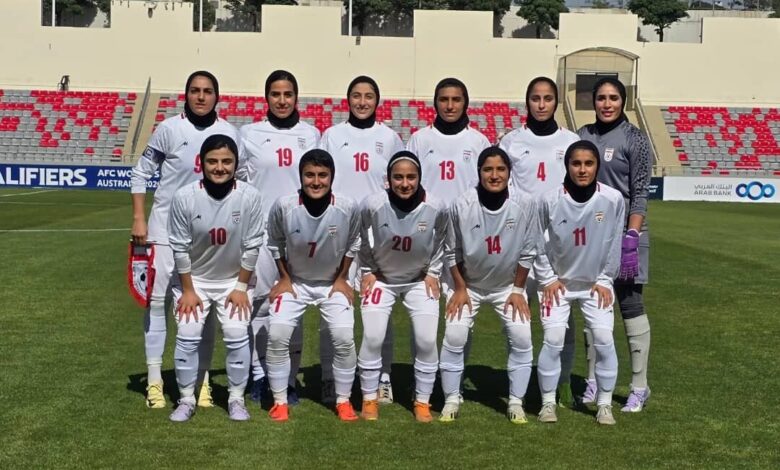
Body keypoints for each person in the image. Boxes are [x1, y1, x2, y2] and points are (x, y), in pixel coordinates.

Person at [130, 71, 237, 409]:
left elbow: (243, 178)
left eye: (207, 91)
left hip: (207, 236)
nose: (201, 97)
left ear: (217, 96)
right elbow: (141, 172)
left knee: (202, 306)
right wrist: (139, 217)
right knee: (157, 302)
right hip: (164, 230)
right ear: (186, 94)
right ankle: (155, 380)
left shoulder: (229, 132)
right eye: (194, 90)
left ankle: (201, 381)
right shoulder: (169, 129)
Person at [167, 134, 265, 422]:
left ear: (236, 164)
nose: (219, 167)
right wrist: (188, 290)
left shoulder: (250, 196)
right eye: (212, 161)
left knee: (236, 334)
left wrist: (241, 287)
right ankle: (186, 399)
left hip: (234, 281)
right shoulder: (185, 197)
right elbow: (180, 248)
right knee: (188, 334)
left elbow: (252, 246)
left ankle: (236, 398)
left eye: (226, 161)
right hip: (193, 281)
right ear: (201, 163)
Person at [438, 147, 540, 424]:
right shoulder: (461, 204)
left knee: (522, 336)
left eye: (500, 169)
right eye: (488, 169)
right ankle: (451, 398)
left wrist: (518, 290)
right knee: (455, 335)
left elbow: (528, 251)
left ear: (509, 172)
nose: (494, 175)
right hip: (468, 284)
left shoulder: (525, 203)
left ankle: (516, 401)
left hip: (507, 286)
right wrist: (460, 288)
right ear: (479, 172)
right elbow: (451, 251)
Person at [238, 70, 320, 406]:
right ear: (266, 97)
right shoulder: (248, 134)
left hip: (298, 235)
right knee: (258, 304)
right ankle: (259, 376)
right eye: (276, 94)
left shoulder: (311, 134)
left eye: (288, 94)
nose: (282, 100)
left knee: (292, 307)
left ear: (296, 97)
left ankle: (288, 380)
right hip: (260, 233)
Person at [320, 76, 404, 404]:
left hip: (376, 234)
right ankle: (329, 376)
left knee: (378, 310)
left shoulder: (390, 137)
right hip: (337, 232)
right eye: (356, 95)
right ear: (348, 99)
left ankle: (383, 377)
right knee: (332, 306)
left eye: (369, 96)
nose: (362, 102)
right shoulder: (332, 135)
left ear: (377, 101)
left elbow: (399, 183)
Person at [498, 76, 579, 407]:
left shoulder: (571, 140)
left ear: (556, 102)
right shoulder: (511, 141)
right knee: (517, 315)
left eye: (547, 98)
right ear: (527, 101)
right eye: (536, 98)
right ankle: (518, 383)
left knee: (562, 319)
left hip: (559, 243)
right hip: (520, 241)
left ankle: (560, 383)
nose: (541, 104)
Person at [265, 149, 361, 422]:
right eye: (309, 175)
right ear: (300, 176)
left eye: (322, 175)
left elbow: (354, 242)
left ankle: (343, 401)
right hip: (295, 282)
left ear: (332, 177)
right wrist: (284, 278)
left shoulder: (347, 206)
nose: (316, 182)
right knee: (277, 335)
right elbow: (274, 242)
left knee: (344, 338)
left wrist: (342, 278)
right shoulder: (284, 206)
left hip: (331, 284)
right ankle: (280, 401)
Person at [534, 140, 624, 426]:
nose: (582, 170)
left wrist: (606, 279)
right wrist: (548, 278)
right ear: (567, 166)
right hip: (558, 284)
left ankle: (604, 405)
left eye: (588, 163)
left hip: (595, 284)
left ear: (597, 166)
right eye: (576, 163)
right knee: (553, 339)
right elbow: (535, 241)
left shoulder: (613, 199)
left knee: (604, 340)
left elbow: (615, 242)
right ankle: (548, 403)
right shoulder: (549, 199)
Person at [578, 77, 653, 412]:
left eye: (613, 98)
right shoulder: (583, 135)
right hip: (592, 236)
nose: (607, 104)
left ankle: (639, 386)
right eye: (601, 98)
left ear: (624, 101)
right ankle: (593, 381)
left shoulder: (635, 139)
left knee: (630, 303)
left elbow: (640, 193)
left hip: (626, 234)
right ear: (593, 101)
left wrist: (631, 237)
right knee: (593, 304)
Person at [357, 150, 448, 422]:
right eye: (398, 177)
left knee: (427, 340)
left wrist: (433, 272)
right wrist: (368, 269)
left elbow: (443, 239)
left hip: (418, 280)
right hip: (383, 279)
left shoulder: (436, 206)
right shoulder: (372, 204)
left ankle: (422, 401)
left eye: (411, 177)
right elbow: (360, 237)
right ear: (388, 179)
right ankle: (369, 398)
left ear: (420, 177)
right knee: (373, 337)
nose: (405, 183)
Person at [408, 78, 490, 203]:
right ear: (435, 103)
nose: (450, 106)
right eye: (443, 99)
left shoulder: (479, 141)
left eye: (456, 100)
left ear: (465, 103)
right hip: (429, 213)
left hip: (467, 213)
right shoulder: (419, 139)